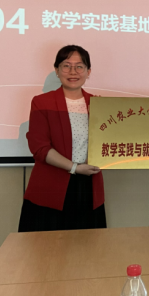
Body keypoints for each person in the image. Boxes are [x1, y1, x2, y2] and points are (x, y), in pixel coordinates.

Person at [18, 45, 106, 232]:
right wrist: (74, 167)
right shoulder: (42, 102)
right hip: (50, 188)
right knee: (45, 247)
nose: (73, 72)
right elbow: (40, 148)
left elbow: (110, 144)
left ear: (88, 71)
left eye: (79, 66)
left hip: (88, 186)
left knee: (87, 246)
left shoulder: (99, 104)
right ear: (57, 70)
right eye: (66, 66)